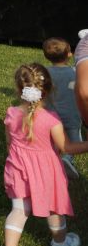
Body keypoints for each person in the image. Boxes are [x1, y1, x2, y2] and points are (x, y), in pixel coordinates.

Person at [0, 64, 88, 246]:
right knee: (54, 208)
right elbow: (67, 147)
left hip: (18, 169)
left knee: (19, 210)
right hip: (47, 173)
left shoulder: (11, 113)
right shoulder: (51, 120)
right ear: (48, 89)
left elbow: (9, 144)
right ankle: (61, 244)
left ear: (18, 88)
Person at [43, 38, 82, 179]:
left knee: (52, 141)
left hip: (50, 117)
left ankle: (53, 160)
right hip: (72, 116)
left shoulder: (45, 74)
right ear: (69, 54)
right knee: (75, 142)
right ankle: (67, 159)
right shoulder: (75, 72)